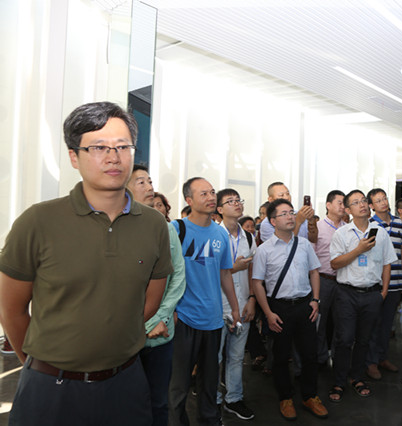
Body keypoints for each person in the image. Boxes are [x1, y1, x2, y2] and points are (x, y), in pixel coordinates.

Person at [0, 101, 173, 425]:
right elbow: (11, 309)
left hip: (126, 383)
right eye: (98, 147)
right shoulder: (37, 221)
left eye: (122, 146)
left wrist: (111, 339)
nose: (113, 157)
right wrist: (46, 365)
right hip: (50, 389)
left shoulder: (154, 225)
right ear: (73, 156)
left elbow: (151, 298)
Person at [168, 177, 241, 426]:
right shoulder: (176, 229)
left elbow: (225, 273)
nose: (211, 197)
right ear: (189, 200)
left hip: (213, 319)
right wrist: (170, 312)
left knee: (209, 383)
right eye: (203, 194)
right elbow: (162, 273)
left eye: (212, 192)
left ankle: (210, 420)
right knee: (178, 385)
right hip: (183, 318)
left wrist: (235, 307)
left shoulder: (220, 233)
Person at [252, 199, 328, 421]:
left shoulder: (304, 244)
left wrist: (315, 300)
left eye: (291, 212)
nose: (290, 217)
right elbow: (257, 283)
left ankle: (310, 396)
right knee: (281, 356)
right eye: (284, 213)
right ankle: (285, 398)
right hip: (279, 308)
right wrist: (268, 313)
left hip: (305, 305)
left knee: (310, 354)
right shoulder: (264, 250)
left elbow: (314, 272)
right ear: (272, 221)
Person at [127, 164, 187, 426]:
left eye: (150, 181)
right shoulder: (117, 228)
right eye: (141, 182)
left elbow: (178, 276)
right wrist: (143, 322)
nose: (149, 186)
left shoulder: (166, 228)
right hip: (125, 335)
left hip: (160, 332)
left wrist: (160, 316)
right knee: (126, 402)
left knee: (158, 401)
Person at [328, 190, 396, 402]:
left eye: (364, 201)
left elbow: (387, 263)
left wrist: (383, 292)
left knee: (364, 340)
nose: (363, 205)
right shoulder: (342, 234)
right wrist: (358, 250)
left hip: (372, 294)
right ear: (348, 210)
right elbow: (334, 264)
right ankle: (339, 381)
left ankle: (357, 377)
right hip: (346, 293)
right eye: (356, 202)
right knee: (345, 339)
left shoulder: (381, 233)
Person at [216, 189, 257, 420]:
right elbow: (207, 271)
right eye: (230, 201)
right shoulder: (213, 234)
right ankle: (213, 400)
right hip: (217, 306)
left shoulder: (248, 237)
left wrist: (251, 298)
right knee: (214, 358)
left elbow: (252, 271)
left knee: (237, 357)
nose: (237, 204)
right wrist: (233, 268)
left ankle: (234, 399)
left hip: (242, 305)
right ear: (219, 209)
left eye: (238, 200)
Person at [365, 188, 402, 380]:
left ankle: (383, 358)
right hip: (377, 283)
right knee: (373, 325)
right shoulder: (370, 225)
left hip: (396, 283)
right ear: (371, 206)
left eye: (384, 198)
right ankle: (371, 362)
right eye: (378, 200)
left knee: (388, 326)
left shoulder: (399, 223)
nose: (383, 202)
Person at [313, 190, 346, 366]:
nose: (343, 206)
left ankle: (337, 357)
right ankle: (320, 358)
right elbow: (311, 257)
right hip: (323, 280)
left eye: (344, 203)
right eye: (339, 202)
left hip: (344, 281)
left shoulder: (348, 228)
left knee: (341, 323)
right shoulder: (317, 227)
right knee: (320, 321)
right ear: (328, 205)